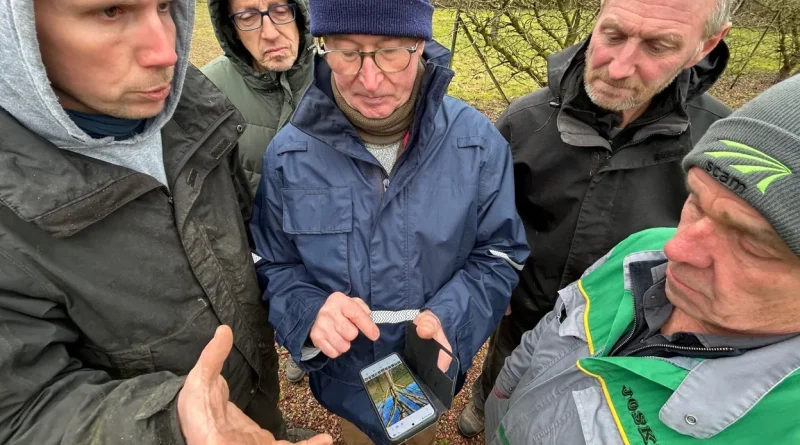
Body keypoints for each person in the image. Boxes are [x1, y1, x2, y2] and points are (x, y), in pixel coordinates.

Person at [0, 1, 328, 444]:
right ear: (15, 23)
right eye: (111, 11)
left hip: (253, 388)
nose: (167, 52)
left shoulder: (197, 106)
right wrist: (171, 425)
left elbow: (244, 235)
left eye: (165, 6)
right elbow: (18, 414)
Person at [250, 0, 530, 444]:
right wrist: (309, 312)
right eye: (346, 50)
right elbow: (271, 261)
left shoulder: (477, 144)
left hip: (428, 369)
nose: (370, 79)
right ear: (322, 47)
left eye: (390, 50)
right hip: (343, 374)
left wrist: (449, 321)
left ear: (420, 44)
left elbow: (499, 254)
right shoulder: (289, 153)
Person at [458, 0, 735, 436]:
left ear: (708, 44)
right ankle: (482, 405)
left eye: (658, 45)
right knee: (504, 384)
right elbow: (479, 217)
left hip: (628, 345)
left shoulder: (720, 142)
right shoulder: (525, 120)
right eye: (613, 34)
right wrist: (492, 284)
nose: (620, 67)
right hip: (524, 317)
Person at [485, 74, 800, 444]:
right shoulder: (641, 253)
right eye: (696, 202)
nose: (677, 250)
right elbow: (542, 339)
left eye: (751, 242)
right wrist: (500, 401)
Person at [202, 0, 315, 384]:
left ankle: (303, 345)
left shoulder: (338, 72)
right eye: (249, 16)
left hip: (326, 243)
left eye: (280, 9)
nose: (270, 31)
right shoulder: (207, 90)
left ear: (300, 13)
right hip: (253, 248)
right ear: (230, 27)